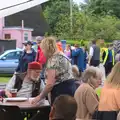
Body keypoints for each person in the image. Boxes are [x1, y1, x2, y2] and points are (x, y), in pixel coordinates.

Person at [31, 36, 76, 105]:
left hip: (60, 92)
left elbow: (50, 84)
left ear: (47, 49)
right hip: (70, 89)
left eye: (43, 49)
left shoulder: (53, 60)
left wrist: (39, 97)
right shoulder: (62, 55)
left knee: (58, 114)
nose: (42, 52)